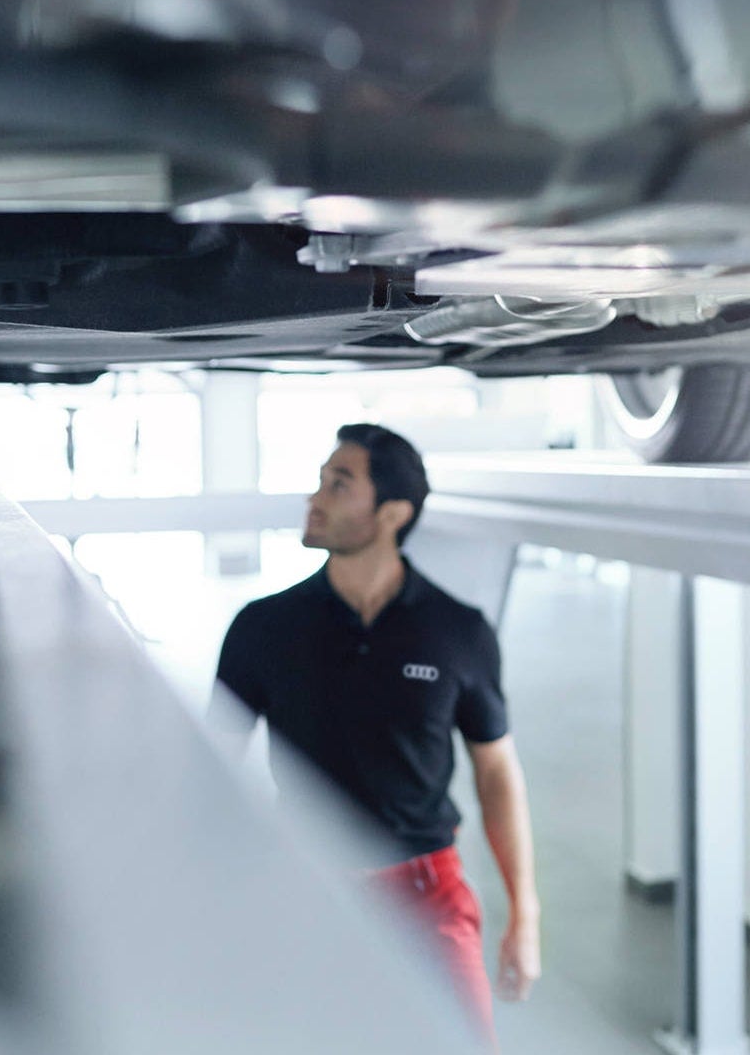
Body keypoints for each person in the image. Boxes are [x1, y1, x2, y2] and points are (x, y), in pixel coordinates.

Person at [212, 423, 541, 1043]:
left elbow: (496, 772)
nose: (315, 499)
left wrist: (525, 914)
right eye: (319, 481)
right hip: (309, 891)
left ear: (392, 514)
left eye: (339, 485)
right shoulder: (263, 628)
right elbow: (214, 765)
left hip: (428, 892)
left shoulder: (458, 631)